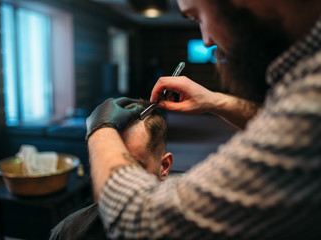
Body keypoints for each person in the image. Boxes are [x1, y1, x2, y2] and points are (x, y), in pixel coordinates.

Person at [86, 0, 321, 239]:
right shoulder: (305, 83)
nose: (207, 40)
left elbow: (143, 222)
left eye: (198, 16)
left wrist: (100, 129)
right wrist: (214, 101)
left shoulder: (313, 94)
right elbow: (278, 120)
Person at [50, 99, 174, 240]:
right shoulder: (67, 233)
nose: (117, 183)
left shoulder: (191, 225)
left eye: (133, 169)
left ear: (164, 166)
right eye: (106, 166)